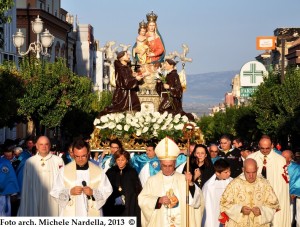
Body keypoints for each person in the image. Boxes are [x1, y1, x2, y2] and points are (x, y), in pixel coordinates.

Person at [138, 137, 203, 227]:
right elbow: (142, 200)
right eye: (165, 166)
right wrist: (158, 200)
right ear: (160, 164)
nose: (167, 169)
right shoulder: (152, 181)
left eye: (170, 166)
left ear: (175, 164)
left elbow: (197, 201)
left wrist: (191, 184)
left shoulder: (183, 179)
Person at [50, 139, 112, 216]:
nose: (80, 159)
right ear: (72, 154)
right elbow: (55, 191)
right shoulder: (64, 171)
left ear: (88, 153)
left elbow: (107, 190)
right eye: (77, 156)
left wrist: (93, 192)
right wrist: (69, 192)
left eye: (83, 156)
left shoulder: (98, 171)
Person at [219, 158, 280, 227]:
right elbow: (224, 204)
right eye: (248, 172)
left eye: (253, 172)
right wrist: (240, 209)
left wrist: (261, 211)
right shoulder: (234, 184)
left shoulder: (264, 184)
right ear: (243, 170)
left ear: (257, 169)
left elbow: (273, 205)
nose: (251, 176)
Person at [247, 136, 291, 227]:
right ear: (259, 145)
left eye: (267, 148)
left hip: (274, 195)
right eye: (262, 148)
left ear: (272, 146)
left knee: (275, 221)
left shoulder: (280, 160)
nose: (265, 150)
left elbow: (283, 185)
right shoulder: (251, 158)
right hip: (256, 196)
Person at [18, 136, 64, 216]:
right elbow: (26, 184)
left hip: (53, 199)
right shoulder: (30, 162)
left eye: (46, 144)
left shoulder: (58, 161)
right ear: (36, 146)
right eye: (41, 144)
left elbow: (63, 182)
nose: (44, 147)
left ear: (50, 145)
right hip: (34, 197)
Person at [98, 51, 144, 117]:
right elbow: (126, 83)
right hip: (123, 96)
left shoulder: (126, 68)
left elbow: (128, 80)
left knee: (133, 110)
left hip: (129, 95)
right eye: (127, 55)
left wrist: (133, 76)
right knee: (120, 110)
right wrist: (136, 79)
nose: (129, 56)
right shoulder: (121, 69)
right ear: (121, 58)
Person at [103, 149, 142, 226]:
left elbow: (136, 190)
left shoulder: (132, 172)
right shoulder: (110, 172)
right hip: (113, 205)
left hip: (129, 205)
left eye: (122, 160)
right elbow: (105, 188)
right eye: (118, 159)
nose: (120, 162)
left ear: (127, 160)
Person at [202, 159, 232, 227]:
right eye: (226, 172)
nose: (229, 173)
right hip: (215, 218)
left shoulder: (232, 182)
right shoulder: (209, 187)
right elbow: (208, 208)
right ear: (217, 173)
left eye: (229, 171)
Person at [282, 149, 300, 226]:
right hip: (280, 194)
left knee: (293, 214)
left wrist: (293, 192)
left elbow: (298, 181)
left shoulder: (296, 168)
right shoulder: (276, 166)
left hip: (293, 195)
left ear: (290, 158)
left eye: (284, 157)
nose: (281, 158)